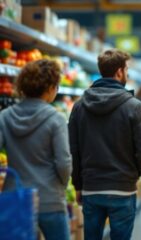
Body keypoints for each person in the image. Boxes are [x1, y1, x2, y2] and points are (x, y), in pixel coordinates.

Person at [69, 49, 141, 240]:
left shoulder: (79, 106)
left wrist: (78, 184)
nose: (128, 74)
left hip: (91, 187)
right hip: (123, 187)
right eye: (126, 70)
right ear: (119, 72)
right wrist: (134, 172)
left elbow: (73, 150)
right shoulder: (134, 106)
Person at [0, 59, 72, 240]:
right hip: (50, 199)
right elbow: (64, 163)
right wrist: (60, 186)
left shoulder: (4, 117)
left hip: (15, 197)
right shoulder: (57, 119)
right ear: (49, 88)